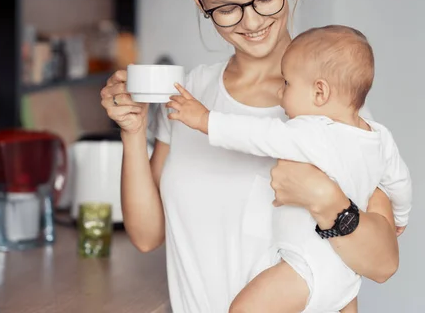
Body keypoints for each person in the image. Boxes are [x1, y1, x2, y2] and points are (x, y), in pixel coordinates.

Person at [100, 0, 400, 311]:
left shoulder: (332, 107)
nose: (252, 21)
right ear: (199, 0)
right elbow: (146, 236)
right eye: (226, 8)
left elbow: (382, 264)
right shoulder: (190, 96)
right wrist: (133, 132)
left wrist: (326, 199)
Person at [167, 24, 412, 313]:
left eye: (287, 83)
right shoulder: (378, 135)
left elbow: (256, 135)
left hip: (305, 265)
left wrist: (205, 119)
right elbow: (400, 181)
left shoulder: (310, 131)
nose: (280, 92)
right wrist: (401, 216)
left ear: (319, 92)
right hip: (346, 274)